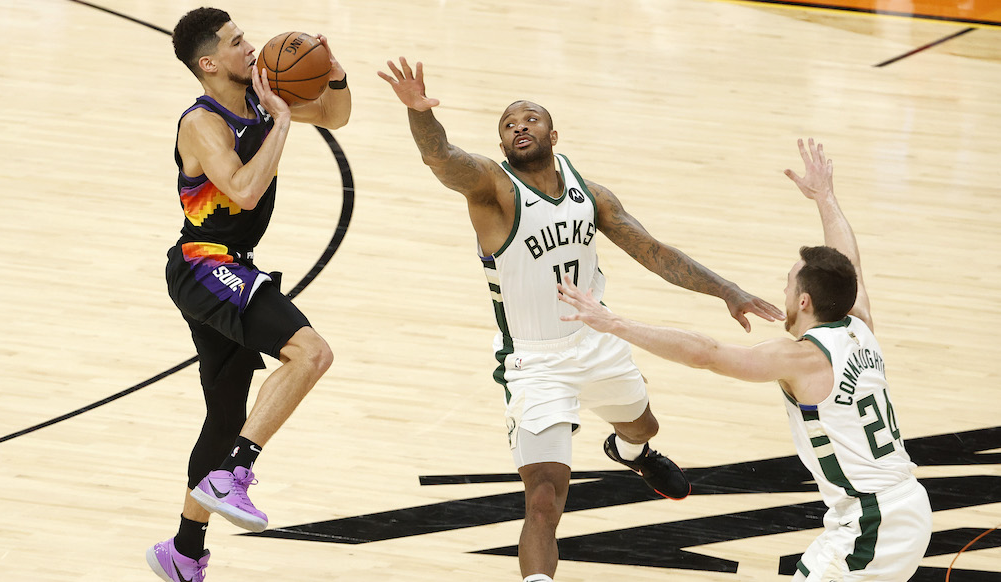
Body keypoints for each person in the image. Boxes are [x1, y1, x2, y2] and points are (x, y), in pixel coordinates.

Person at [377, 57, 783, 582]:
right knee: (544, 498)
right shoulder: (493, 189)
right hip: (536, 361)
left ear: (553, 133)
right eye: (508, 124)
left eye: (530, 118)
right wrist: (419, 114)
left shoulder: (590, 194)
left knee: (643, 425)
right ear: (502, 147)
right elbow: (441, 157)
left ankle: (631, 452)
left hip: (598, 340)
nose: (519, 126)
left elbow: (654, 252)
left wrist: (727, 290)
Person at [558, 139, 932, 581]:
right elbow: (849, 265)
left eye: (790, 285)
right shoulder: (859, 325)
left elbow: (707, 355)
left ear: (806, 300)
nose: (785, 291)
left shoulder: (802, 357)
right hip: (901, 507)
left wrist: (614, 322)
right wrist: (825, 199)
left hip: (872, 523)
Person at [146, 8, 351, 582]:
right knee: (311, 353)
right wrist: (282, 123)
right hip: (205, 264)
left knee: (227, 413)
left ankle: (183, 550)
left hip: (226, 267)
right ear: (209, 63)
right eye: (237, 42)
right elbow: (240, 189)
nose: (251, 47)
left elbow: (337, 115)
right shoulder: (202, 123)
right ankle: (236, 471)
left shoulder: (261, 99)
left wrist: (332, 73)